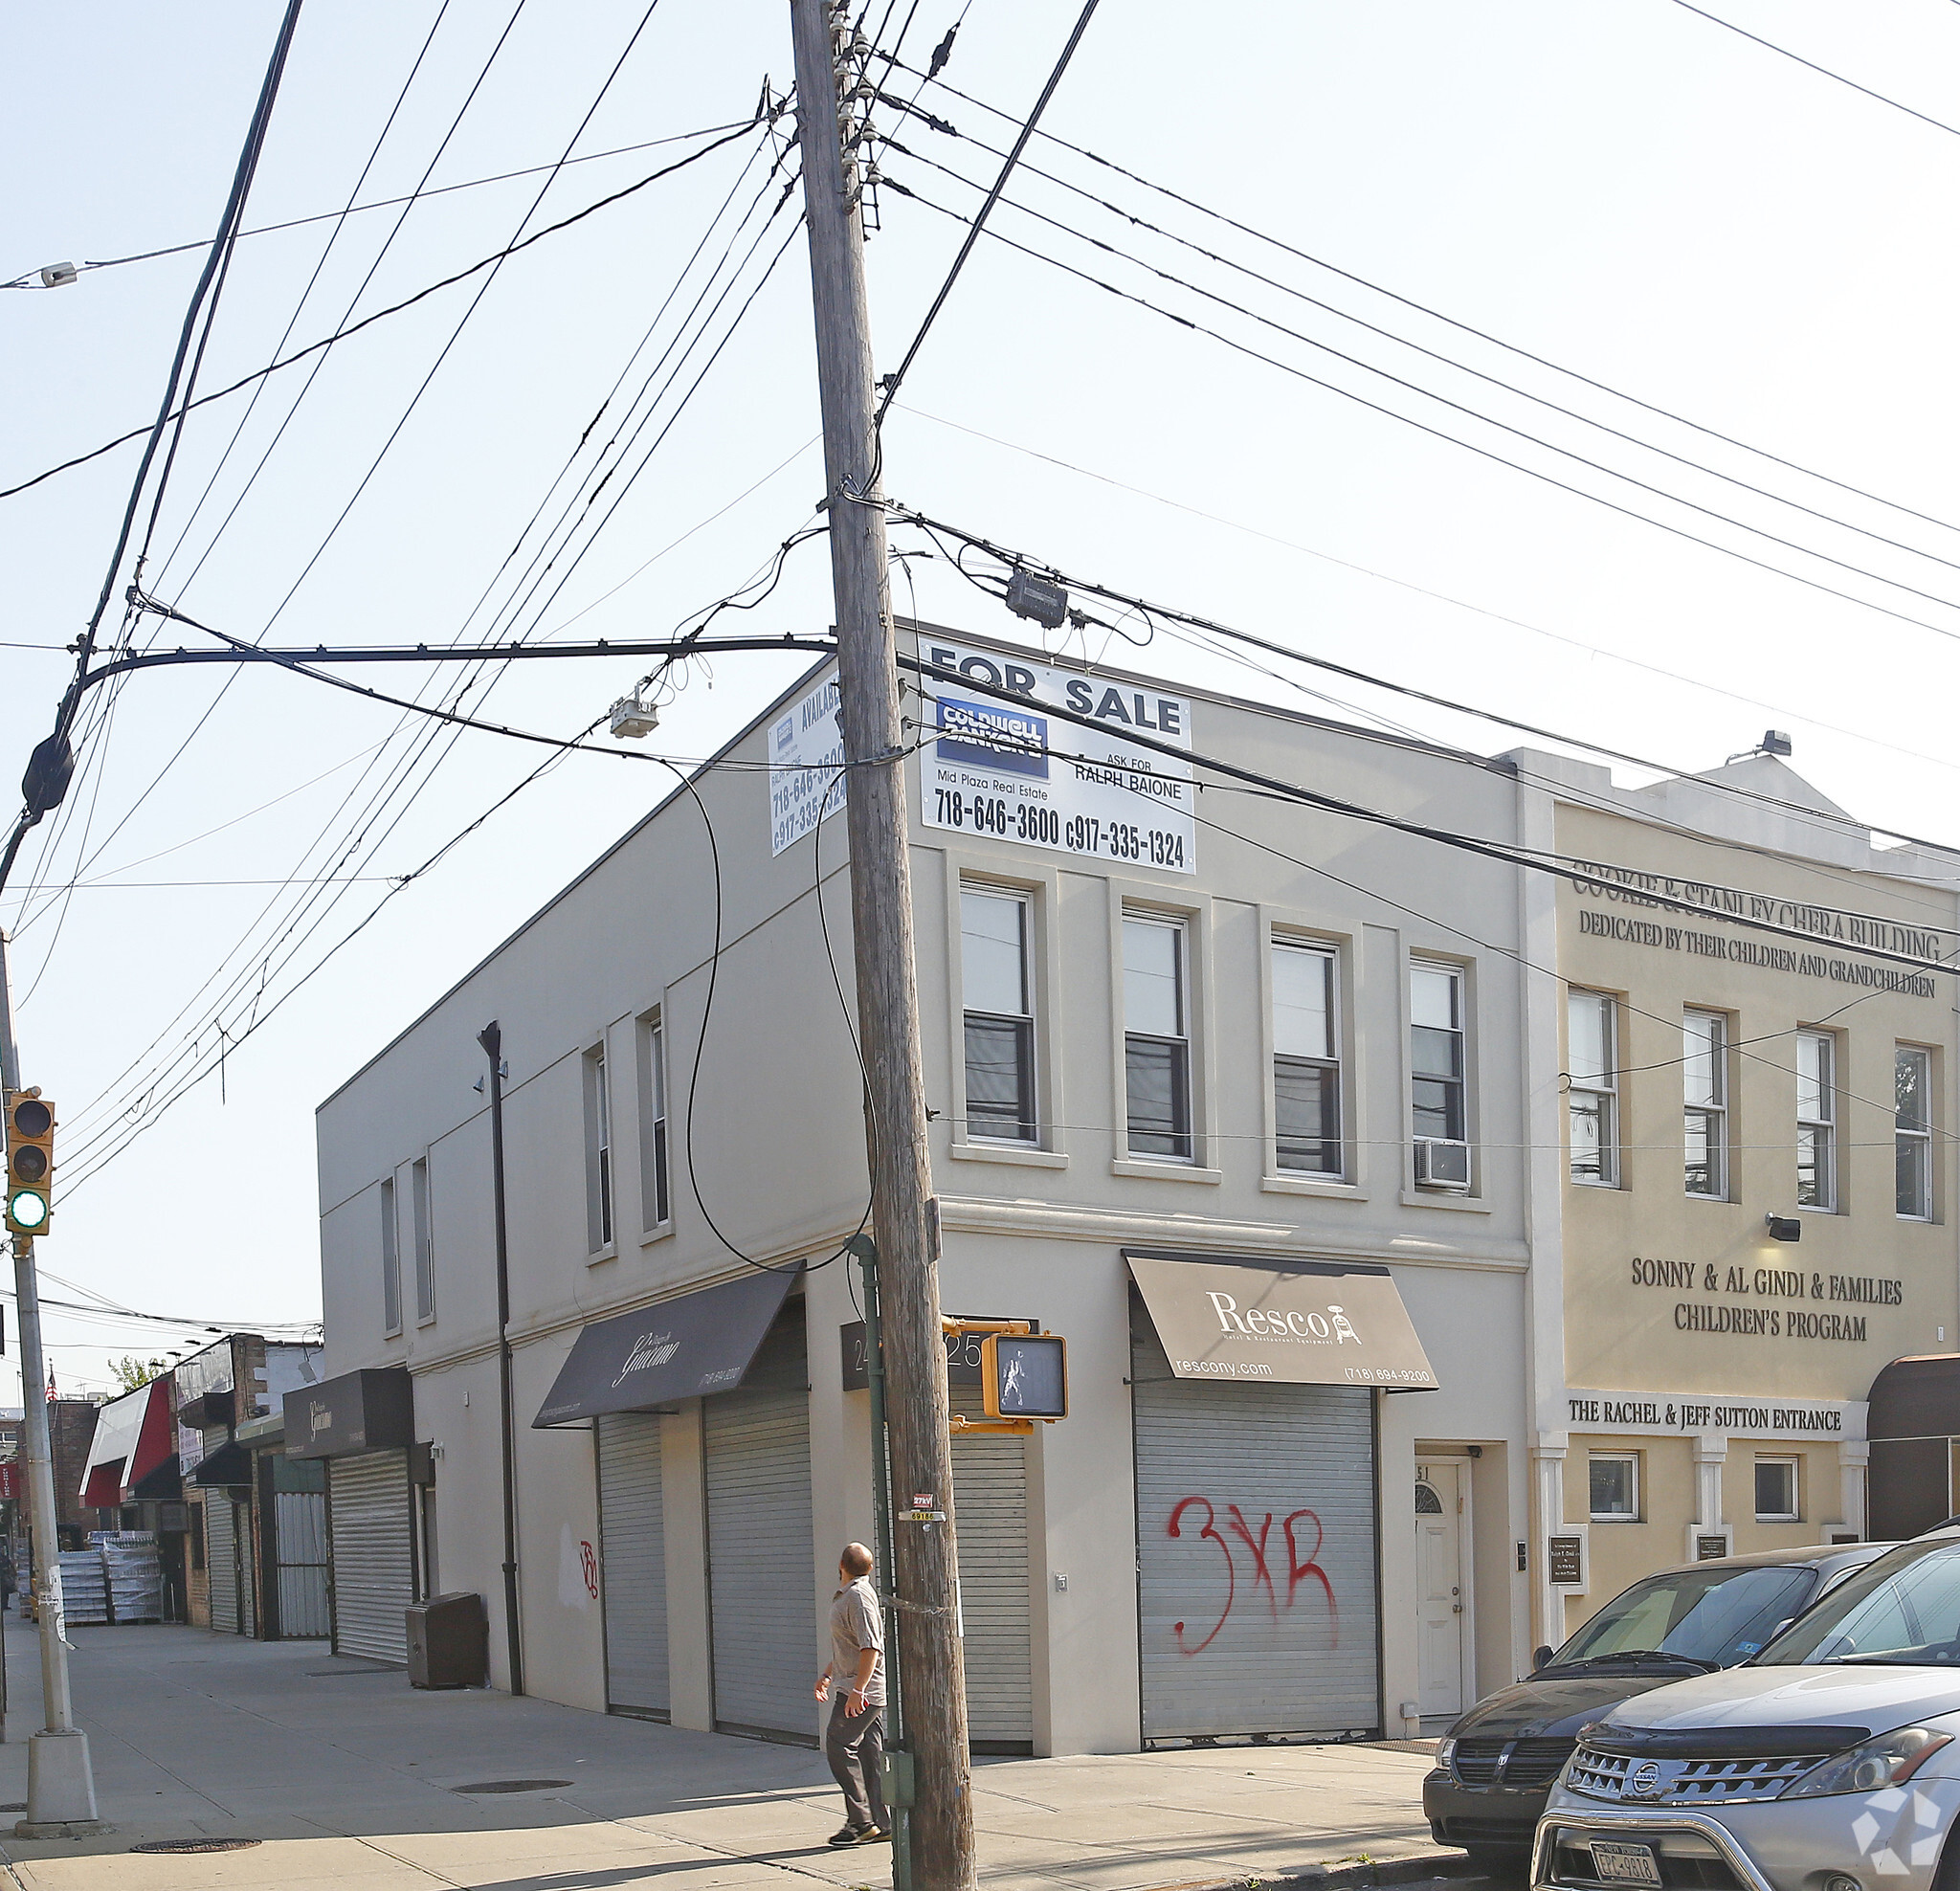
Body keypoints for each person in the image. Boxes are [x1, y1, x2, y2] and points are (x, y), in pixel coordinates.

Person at [815, 1541, 890, 1847]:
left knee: (838, 1743)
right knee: (868, 1754)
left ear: (841, 1566)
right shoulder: (852, 1595)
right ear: (869, 1568)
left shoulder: (858, 1597)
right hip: (853, 1685)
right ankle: (882, 1822)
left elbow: (870, 1646)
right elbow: (849, 1646)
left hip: (859, 1691)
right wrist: (827, 1675)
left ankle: (861, 1822)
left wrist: (858, 1690)